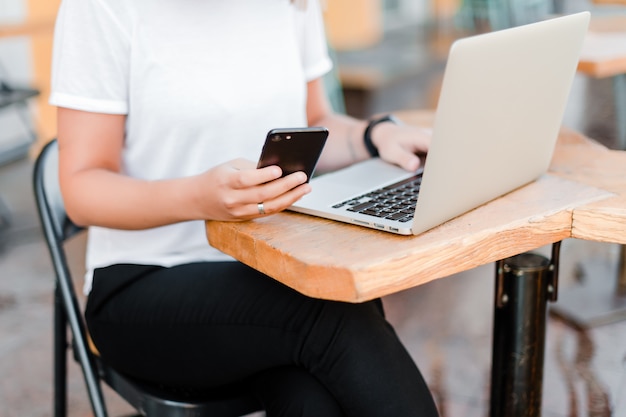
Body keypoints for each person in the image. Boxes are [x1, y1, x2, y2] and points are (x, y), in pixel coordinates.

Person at [50, 0, 439, 416]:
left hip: (267, 268)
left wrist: (374, 136)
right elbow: (82, 190)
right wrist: (200, 198)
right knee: (333, 311)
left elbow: (315, 123)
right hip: (144, 282)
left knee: (313, 396)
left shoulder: (292, 4)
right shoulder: (103, 9)